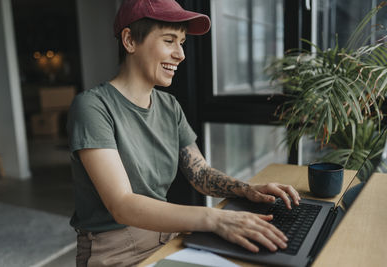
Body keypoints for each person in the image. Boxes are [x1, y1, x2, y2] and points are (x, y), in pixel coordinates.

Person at [67, 0, 301, 266]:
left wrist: (248, 190)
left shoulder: (169, 106)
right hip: (114, 249)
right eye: (169, 41)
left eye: (182, 42)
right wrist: (215, 219)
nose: (181, 54)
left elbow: (200, 173)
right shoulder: (92, 107)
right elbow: (122, 204)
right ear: (130, 40)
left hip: (167, 233)